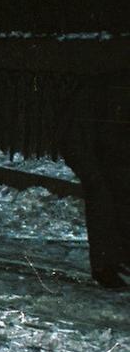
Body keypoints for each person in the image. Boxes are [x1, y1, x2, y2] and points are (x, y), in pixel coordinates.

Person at [59, 70, 130, 289]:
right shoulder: (100, 89)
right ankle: (104, 266)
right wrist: (91, 173)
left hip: (111, 159)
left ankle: (117, 259)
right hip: (95, 158)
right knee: (103, 207)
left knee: (118, 207)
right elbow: (76, 137)